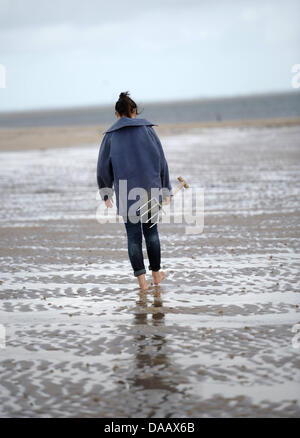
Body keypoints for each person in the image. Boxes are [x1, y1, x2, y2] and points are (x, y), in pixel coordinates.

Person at [97, 91, 173, 290]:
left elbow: (103, 166)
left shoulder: (111, 136)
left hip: (126, 193)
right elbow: (161, 160)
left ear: (116, 113)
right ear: (133, 111)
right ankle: (156, 275)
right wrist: (166, 189)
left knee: (133, 237)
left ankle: (142, 283)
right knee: (152, 233)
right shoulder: (148, 130)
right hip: (150, 190)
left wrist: (106, 193)